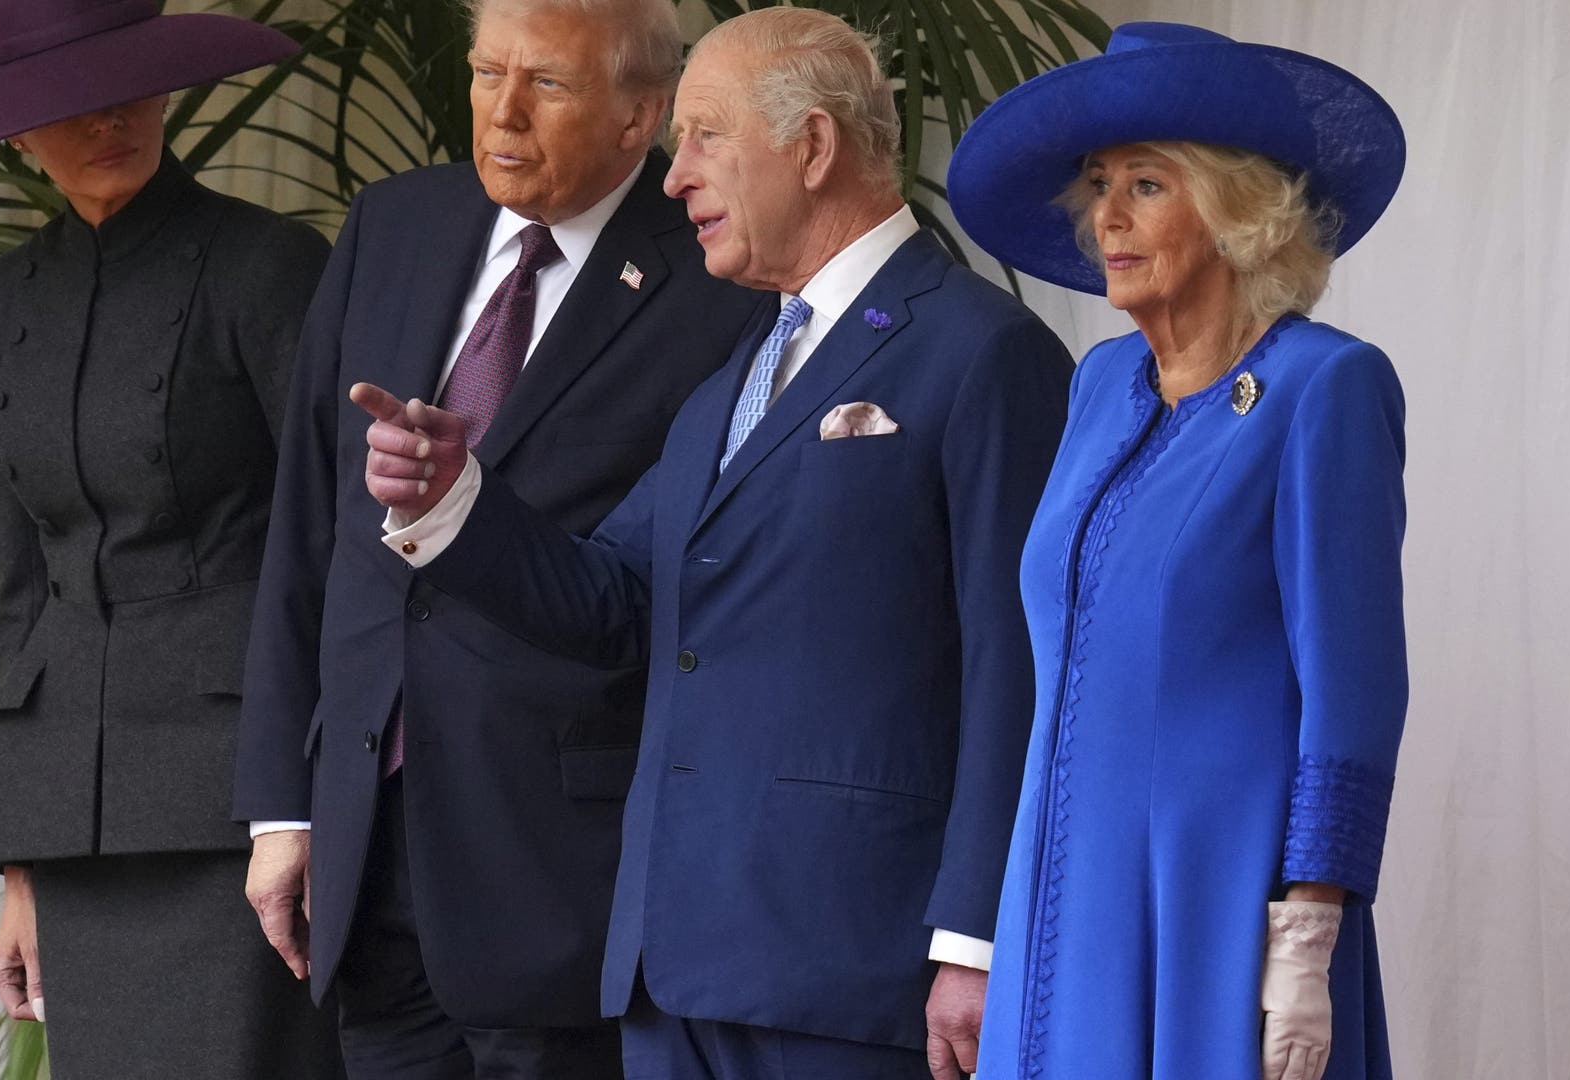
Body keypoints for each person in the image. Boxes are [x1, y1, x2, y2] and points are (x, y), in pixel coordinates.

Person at [351, 9, 1073, 1078]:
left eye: (704, 137)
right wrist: (456, 499)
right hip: (673, 967)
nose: (675, 174)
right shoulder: (736, 376)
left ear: (813, 149)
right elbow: (614, 603)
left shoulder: (984, 352)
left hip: (855, 973)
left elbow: (1021, 668)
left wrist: (974, 939)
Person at [228, 0, 765, 1075]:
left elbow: (692, 588)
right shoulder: (393, 226)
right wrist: (281, 810)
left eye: (549, 84)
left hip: (566, 876)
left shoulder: (722, 281)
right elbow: (306, 533)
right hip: (369, 856)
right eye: (486, 74)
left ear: (639, 114)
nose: (503, 113)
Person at [944, 20, 1410, 1080]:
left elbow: (1356, 691)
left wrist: (1308, 931)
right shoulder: (1098, 384)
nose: (1105, 214)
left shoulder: (1321, 388)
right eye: (1099, 182)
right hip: (1063, 885)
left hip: (1221, 898)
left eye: (1147, 184)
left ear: (1238, 206)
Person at [0, 1, 340, 1076]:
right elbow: (16, 586)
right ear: (18, 128)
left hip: (242, 810)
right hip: (81, 836)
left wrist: (302, 808)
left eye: (130, 87)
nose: (110, 121)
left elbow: (332, 543)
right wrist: (24, 872)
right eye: (73, 104)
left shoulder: (265, 264)